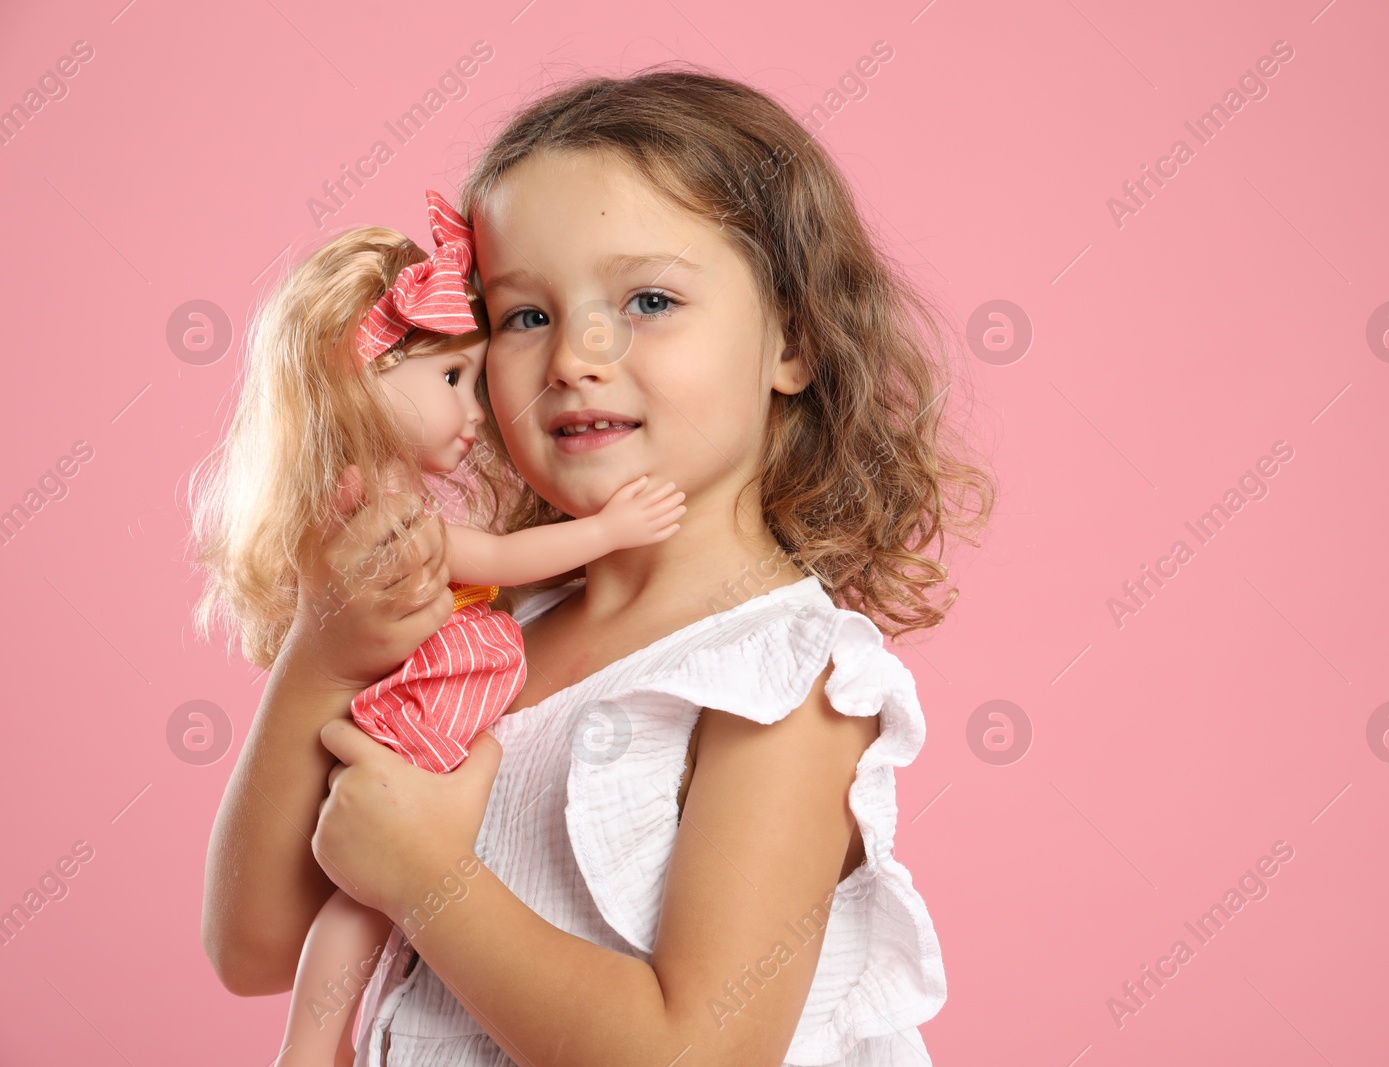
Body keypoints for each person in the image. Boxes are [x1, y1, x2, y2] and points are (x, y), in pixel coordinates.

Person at [199, 67, 995, 1067]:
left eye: (649, 299)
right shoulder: (482, 633)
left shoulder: (781, 680)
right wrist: (319, 656)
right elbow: (254, 946)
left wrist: (427, 877)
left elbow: (692, 1052)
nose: (577, 353)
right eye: (525, 315)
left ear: (791, 339)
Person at [188, 190, 685, 1065]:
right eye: (453, 377)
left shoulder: (780, 682)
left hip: (426, 719)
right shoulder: (382, 519)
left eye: (651, 300)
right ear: (361, 378)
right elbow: (485, 553)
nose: (476, 410)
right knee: (361, 897)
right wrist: (606, 533)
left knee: (367, 898)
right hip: (420, 718)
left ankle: (311, 1045)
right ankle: (310, 1045)